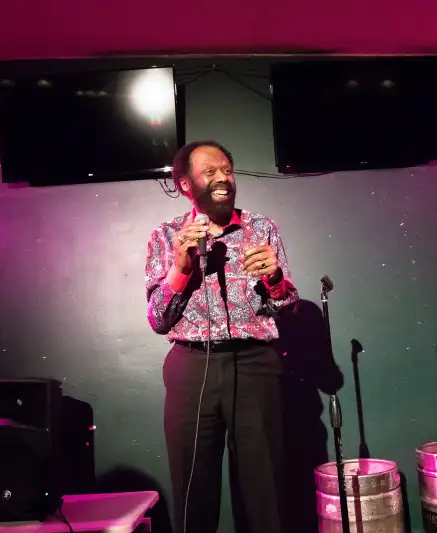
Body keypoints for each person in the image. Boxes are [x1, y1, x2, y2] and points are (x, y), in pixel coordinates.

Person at [145, 140, 299, 533]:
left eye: (227, 170)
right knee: (193, 489)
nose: (222, 178)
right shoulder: (166, 236)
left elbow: (289, 308)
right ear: (185, 184)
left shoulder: (261, 228)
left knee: (266, 490)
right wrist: (181, 268)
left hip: (255, 365)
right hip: (191, 366)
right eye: (210, 171)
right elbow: (158, 319)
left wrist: (276, 280)